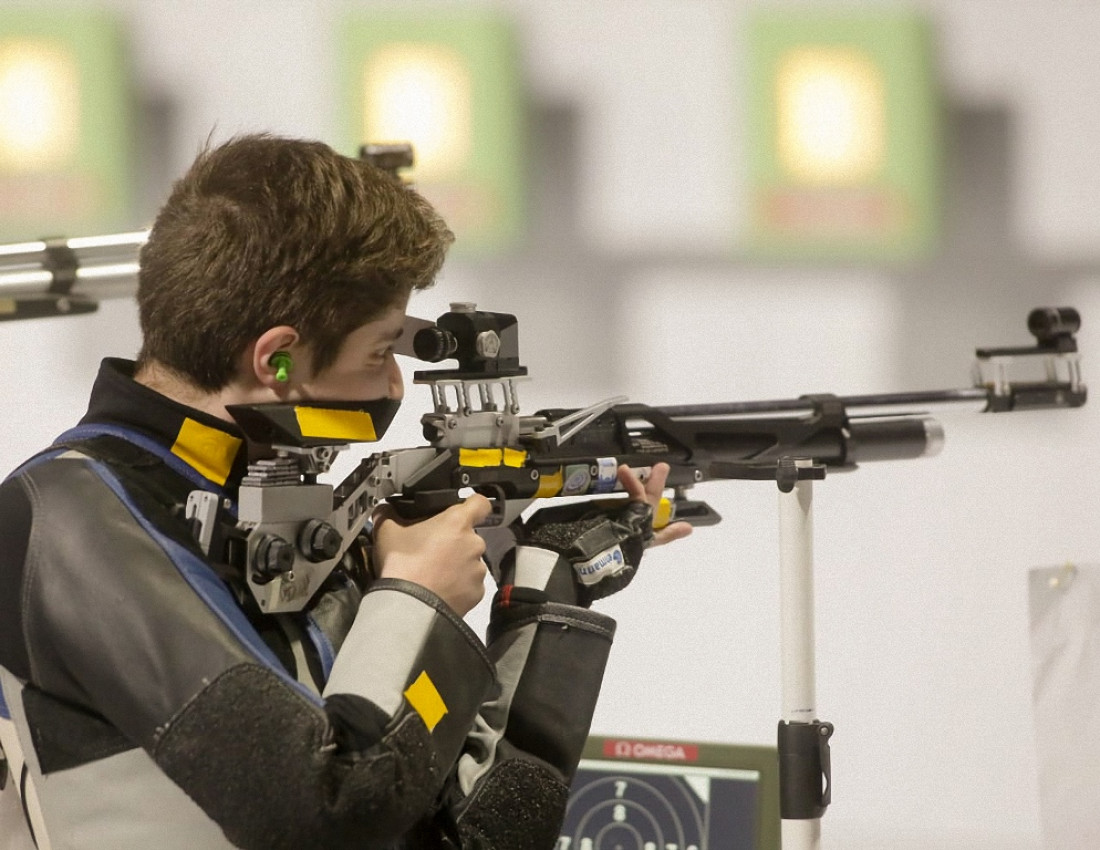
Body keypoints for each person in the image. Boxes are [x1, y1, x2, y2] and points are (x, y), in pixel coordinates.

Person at [0, 134, 690, 849]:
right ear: (277, 359)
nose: (395, 385)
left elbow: (474, 835)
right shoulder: (73, 521)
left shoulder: (285, 521)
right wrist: (414, 600)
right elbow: (324, 814)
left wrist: (549, 590)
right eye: (379, 350)